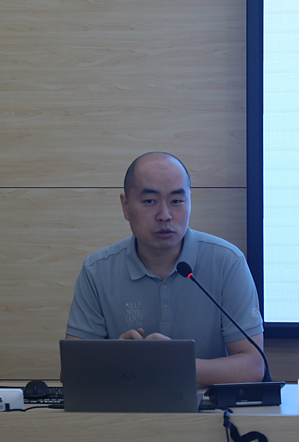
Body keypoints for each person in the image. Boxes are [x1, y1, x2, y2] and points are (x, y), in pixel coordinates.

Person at [65, 152, 264, 386]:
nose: (165, 215)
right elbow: (71, 371)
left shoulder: (227, 261)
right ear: (125, 206)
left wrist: (174, 363)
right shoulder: (97, 270)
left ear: (189, 201)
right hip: (125, 405)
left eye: (177, 201)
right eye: (150, 201)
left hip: (206, 406)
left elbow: (253, 366)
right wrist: (117, 359)